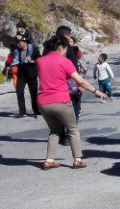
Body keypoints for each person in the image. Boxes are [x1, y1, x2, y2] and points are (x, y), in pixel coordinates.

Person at [36, 34, 107, 169]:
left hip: (43, 102)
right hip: (61, 100)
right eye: (66, 47)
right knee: (73, 129)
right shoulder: (65, 62)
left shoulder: (40, 61)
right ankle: (77, 159)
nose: (67, 50)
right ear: (61, 47)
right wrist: (96, 91)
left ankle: (49, 160)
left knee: (55, 130)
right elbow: (79, 81)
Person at [55, 25, 85, 123]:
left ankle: (60, 133)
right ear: (65, 35)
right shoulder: (67, 48)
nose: (70, 37)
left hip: (54, 83)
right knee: (74, 107)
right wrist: (79, 83)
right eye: (69, 35)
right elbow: (74, 67)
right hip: (69, 82)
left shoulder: (51, 47)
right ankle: (71, 132)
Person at [13, 36, 41, 117]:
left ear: (25, 42)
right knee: (19, 91)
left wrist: (32, 61)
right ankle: (22, 111)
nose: (18, 44)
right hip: (21, 75)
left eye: (20, 42)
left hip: (32, 75)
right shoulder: (17, 51)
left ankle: (36, 110)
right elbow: (15, 60)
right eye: (17, 42)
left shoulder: (34, 50)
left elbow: (40, 60)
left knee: (33, 94)